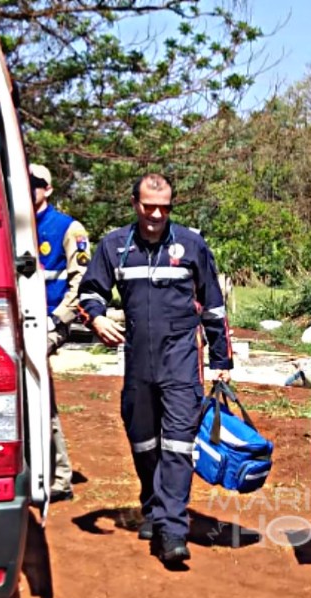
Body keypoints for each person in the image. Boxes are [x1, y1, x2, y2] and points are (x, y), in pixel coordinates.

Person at [78, 173, 233, 565]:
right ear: (135, 205)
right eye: (149, 207)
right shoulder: (115, 245)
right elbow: (89, 292)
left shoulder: (191, 245)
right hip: (138, 365)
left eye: (164, 208)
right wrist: (96, 319)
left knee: (179, 445)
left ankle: (171, 532)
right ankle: (153, 505)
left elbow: (213, 306)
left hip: (181, 362)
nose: (157, 215)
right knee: (143, 442)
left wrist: (220, 361)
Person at [30, 163, 91, 502]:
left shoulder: (68, 228)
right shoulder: (12, 224)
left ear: (49, 189)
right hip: (19, 320)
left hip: (51, 322)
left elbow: (81, 280)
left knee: (34, 383)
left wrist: (57, 319)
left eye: (37, 183)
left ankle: (59, 475)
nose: (30, 188)